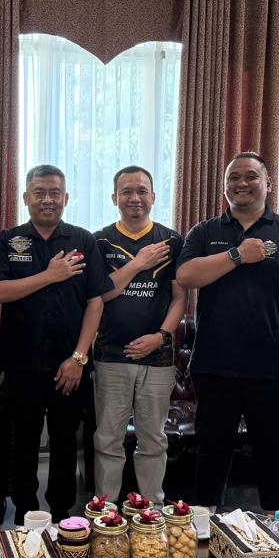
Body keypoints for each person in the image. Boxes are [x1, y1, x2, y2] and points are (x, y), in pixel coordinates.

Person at [175, 152, 279, 512]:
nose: (241, 183)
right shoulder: (205, 232)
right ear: (225, 186)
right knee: (212, 448)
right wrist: (237, 255)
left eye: (251, 176)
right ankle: (206, 523)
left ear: (267, 183)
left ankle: (274, 522)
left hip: (274, 367)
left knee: (272, 449)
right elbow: (186, 276)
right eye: (233, 177)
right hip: (214, 366)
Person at [0, 165, 111, 522]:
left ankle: (60, 514)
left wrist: (79, 358)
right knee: (23, 440)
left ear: (65, 198)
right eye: (39, 192)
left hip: (68, 364)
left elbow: (96, 302)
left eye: (55, 192)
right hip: (20, 362)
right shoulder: (9, 240)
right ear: (26, 198)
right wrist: (49, 276)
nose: (47, 199)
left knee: (64, 440)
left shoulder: (82, 241)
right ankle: (25, 512)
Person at [92, 166, 187, 502]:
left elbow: (180, 298)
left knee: (153, 440)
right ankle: (104, 511)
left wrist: (161, 336)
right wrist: (138, 263)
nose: (135, 197)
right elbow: (102, 294)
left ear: (153, 197)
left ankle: (152, 511)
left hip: (157, 357)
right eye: (127, 191)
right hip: (111, 356)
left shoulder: (173, 240)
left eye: (142, 190)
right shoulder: (99, 241)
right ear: (114, 198)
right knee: (108, 439)